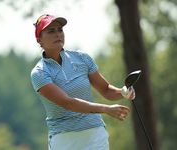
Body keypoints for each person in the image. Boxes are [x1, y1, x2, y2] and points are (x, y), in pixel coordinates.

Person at [31, 14, 135, 150]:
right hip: (64, 139)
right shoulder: (39, 72)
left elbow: (106, 90)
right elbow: (67, 102)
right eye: (51, 31)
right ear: (39, 41)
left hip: (94, 134)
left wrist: (123, 92)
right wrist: (106, 109)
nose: (57, 34)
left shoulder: (81, 58)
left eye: (60, 30)